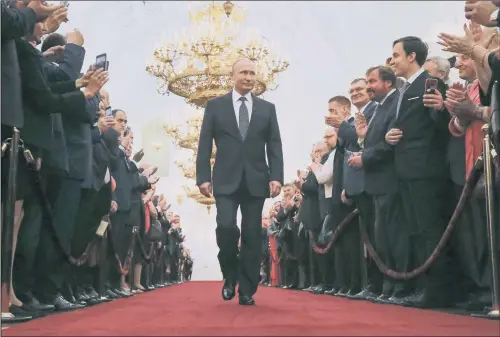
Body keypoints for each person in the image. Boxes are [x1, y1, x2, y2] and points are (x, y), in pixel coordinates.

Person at [196, 58, 284, 306]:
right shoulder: (215, 106)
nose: (248, 77)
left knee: (252, 235)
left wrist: (277, 176)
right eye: (244, 72)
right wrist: (202, 177)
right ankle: (229, 276)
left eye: (252, 73)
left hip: (257, 180)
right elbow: (204, 144)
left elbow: (275, 145)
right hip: (224, 179)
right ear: (232, 75)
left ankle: (247, 289)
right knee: (225, 228)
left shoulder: (268, 109)